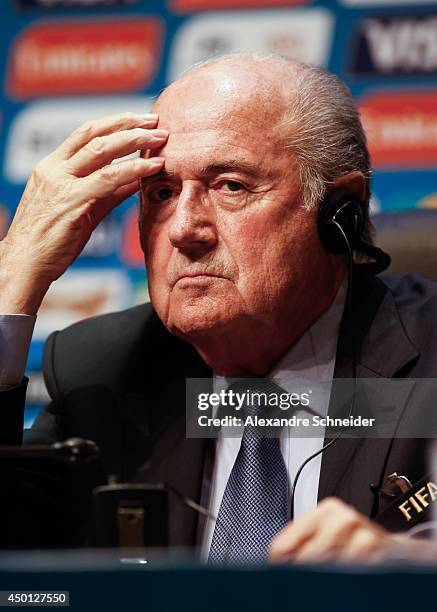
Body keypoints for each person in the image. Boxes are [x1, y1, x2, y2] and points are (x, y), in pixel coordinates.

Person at [0, 53, 437, 563]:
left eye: (231, 185)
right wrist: (11, 284)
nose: (184, 228)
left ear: (341, 209)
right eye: (161, 193)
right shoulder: (104, 372)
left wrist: (410, 566)